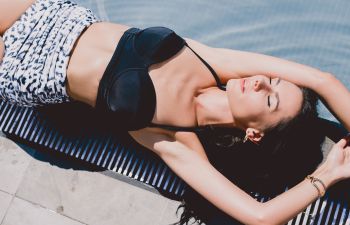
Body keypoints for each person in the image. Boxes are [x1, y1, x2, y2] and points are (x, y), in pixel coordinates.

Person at [1, 0, 350, 224]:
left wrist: (328, 175)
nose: (260, 82)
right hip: (56, 16)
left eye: (270, 98)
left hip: (33, 68)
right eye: (273, 80)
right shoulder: (214, 63)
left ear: (254, 133)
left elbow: (260, 216)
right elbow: (324, 80)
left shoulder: (176, 139)